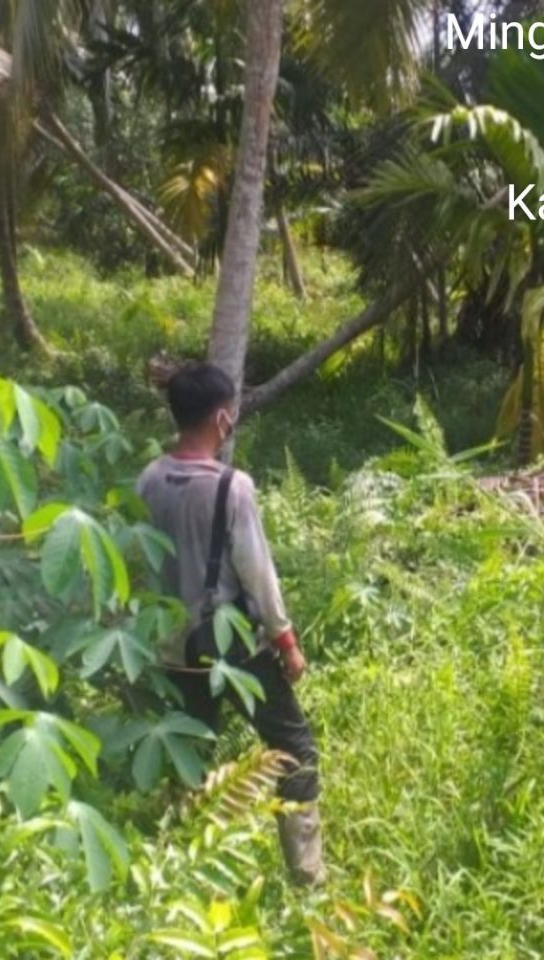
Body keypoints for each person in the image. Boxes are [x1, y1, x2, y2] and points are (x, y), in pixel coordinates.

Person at [136, 362, 325, 885]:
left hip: (169, 646)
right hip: (234, 645)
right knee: (295, 750)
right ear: (222, 419)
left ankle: (176, 866)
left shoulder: (148, 479)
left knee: (188, 749)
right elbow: (258, 574)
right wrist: (286, 643)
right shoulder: (231, 487)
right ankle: (307, 877)